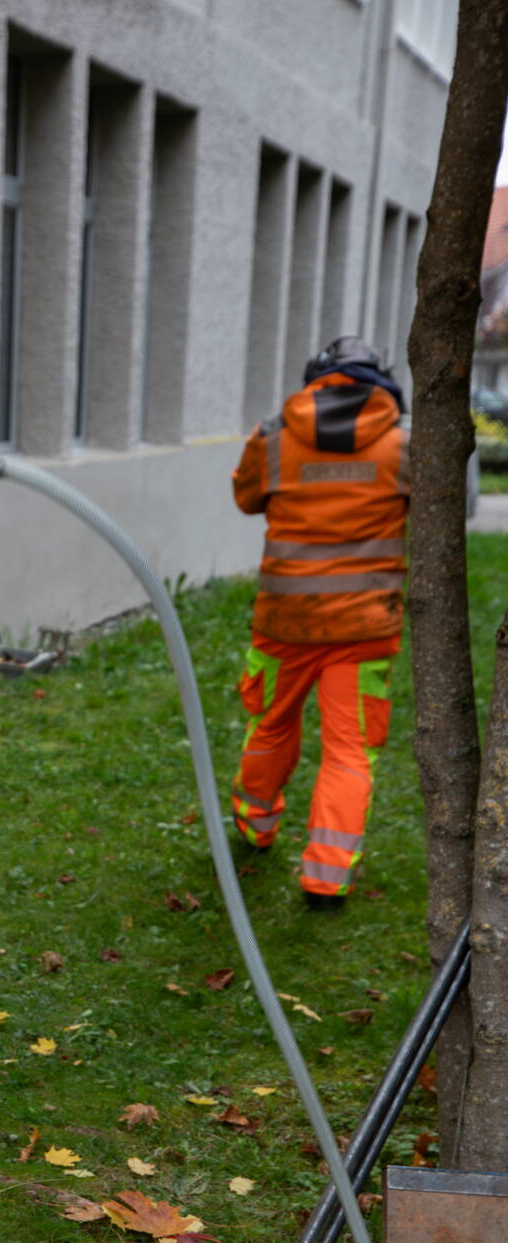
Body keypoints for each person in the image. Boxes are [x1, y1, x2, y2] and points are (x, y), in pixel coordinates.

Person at [230, 335, 410, 910]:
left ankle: (254, 826)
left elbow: (245, 497)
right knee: (350, 750)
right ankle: (326, 878)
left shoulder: (274, 435)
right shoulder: (408, 444)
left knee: (273, 724)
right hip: (364, 628)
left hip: (287, 621)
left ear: (316, 378)